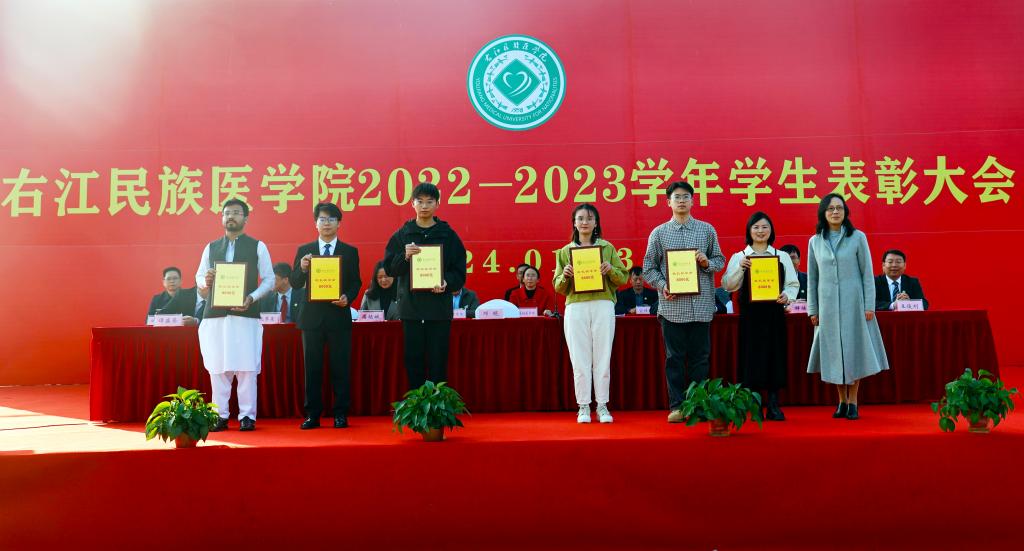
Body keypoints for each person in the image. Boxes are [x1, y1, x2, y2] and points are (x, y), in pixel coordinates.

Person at [642, 181, 726, 423]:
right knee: (675, 359)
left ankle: (699, 405)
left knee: (701, 359)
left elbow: (719, 260)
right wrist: (663, 285)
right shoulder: (659, 233)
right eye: (676, 197)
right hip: (672, 308)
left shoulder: (706, 230)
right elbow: (648, 268)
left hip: (701, 307)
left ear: (692, 201)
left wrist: (706, 263)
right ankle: (677, 406)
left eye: (686, 196)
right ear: (668, 202)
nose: (681, 201)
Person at [807, 193, 889, 420]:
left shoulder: (857, 237)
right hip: (827, 308)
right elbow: (812, 278)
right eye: (831, 208)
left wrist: (869, 305)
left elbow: (867, 274)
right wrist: (813, 309)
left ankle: (853, 401)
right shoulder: (815, 241)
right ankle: (841, 400)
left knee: (854, 352)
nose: (835, 212)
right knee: (834, 354)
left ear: (845, 212)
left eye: (839, 208)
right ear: (823, 213)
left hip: (854, 306)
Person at [195, 199, 274, 432]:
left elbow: (269, 279)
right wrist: (205, 281)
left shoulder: (258, 246)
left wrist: (252, 297)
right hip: (215, 316)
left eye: (236, 213)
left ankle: (247, 416)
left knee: (247, 367)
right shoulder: (210, 247)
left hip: (245, 314)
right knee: (218, 367)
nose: (231, 216)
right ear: (222, 218)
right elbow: (199, 277)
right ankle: (219, 416)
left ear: (245, 218)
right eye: (227, 213)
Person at [383, 182, 467, 390]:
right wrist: (404, 256)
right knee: (413, 361)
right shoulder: (403, 234)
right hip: (411, 310)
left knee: (439, 362)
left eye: (430, 201)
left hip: (438, 310)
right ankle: (417, 405)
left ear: (438, 204)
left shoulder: (448, 235)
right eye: (419, 201)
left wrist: (447, 282)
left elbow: (459, 272)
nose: (424, 206)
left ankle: (437, 405)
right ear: (412, 203)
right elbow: (390, 269)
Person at [553, 203, 629, 424]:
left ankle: (602, 405)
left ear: (596, 223)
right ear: (574, 223)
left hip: (603, 304)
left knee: (603, 357)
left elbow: (623, 277)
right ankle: (583, 406)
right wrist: (565, 275)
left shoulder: (607, 248)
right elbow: (558, 286)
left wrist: (610, 270)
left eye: (589, 218)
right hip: (576, 307)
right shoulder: (565, 252)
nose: (584, 222)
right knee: (579, 359)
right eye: (580, 218)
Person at [289, 202, 362, 429]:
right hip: (311, 319)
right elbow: (295, 283)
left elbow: (356, 282)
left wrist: (347, 297)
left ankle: (340, 413)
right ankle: (312, 415)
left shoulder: (350, 251)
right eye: (322, 219)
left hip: (338, 316)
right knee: (312, 369)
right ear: (315, 223)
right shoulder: (305, 250)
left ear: (339, 223)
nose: (326, 223)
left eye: (331, 219)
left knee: (340, 367)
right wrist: (302, 268)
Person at [722, 212, 800, 421]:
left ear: (771, 231)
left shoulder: (781, 256)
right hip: (750, 317)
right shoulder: (740, 256)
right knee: (751, 358)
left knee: (775, 357)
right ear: (749, 231)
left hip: (774, 315)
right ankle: (754, 405)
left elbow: (792, 284)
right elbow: (728, 285)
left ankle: (773, 404)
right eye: (756, 227)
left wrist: (787, 296)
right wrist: (740, 268)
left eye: (765, 227)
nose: (760, 231)